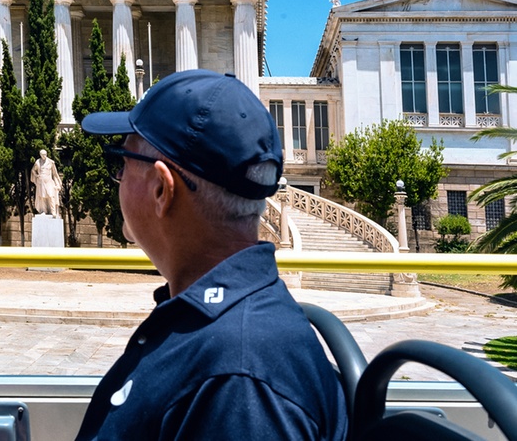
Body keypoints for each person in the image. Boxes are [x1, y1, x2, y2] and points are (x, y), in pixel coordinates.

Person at [76, 69, 348, 440]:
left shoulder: (239, 383)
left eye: (122, 162)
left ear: (161, 190)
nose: (119, 180)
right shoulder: (212, 327)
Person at [31, 149, 61, 217]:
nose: (44, 156)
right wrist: (36, 175)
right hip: (41, 181)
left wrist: (57, 183)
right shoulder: (38, 162)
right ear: (40, 155)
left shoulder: (51, 162)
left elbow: (55, 173)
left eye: (45, 154)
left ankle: (53, 211)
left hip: (49, 181)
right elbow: (33, 170)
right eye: (42, 155)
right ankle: (44, 211)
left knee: (51, 195)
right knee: (42, 196)